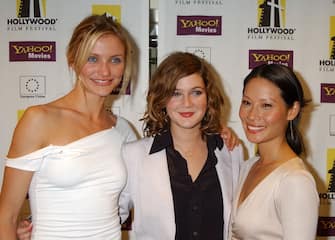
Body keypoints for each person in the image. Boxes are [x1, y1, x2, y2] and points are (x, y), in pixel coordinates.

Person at [0, 14, 137, 239]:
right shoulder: (39, 119)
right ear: (73, 60)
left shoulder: (122, 130)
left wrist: (213, 137)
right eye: (93, 59)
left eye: (115, 59)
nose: (105, 71)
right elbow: (6, 217)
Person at [118, 51, 244, 240]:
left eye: (196, 92)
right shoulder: (134, 156)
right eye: (176, 93)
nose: (187, 103)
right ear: (162, 99)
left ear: (208, 97)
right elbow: (108, 220)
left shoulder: (231, 151)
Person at [230, 64, 319, 239]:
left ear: (292, 110)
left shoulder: (295, 181)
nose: (252, 115)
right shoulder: (248, 166)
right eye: (247, 102)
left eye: (266, 105)